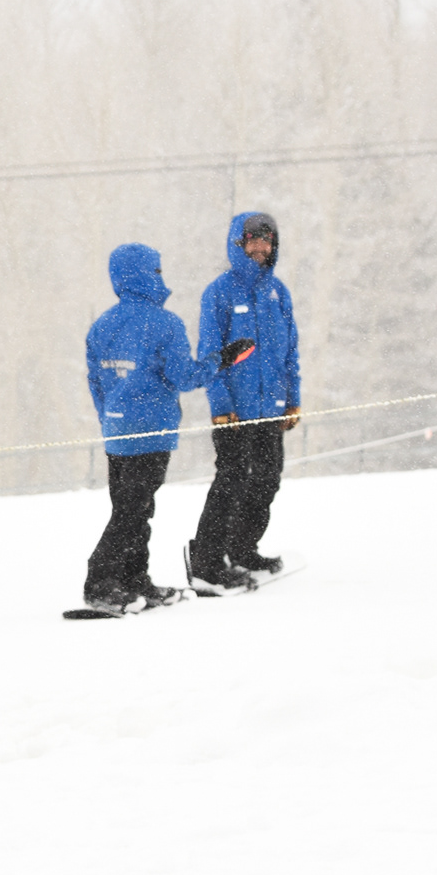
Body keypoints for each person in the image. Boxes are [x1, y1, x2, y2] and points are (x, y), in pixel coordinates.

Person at [83, 244, 255, 614]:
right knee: (132, 512)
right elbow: (184, 377)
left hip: (116, 432)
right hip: (151, 431)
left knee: (132, 508)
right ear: (146, 275)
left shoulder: (102, 325)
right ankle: (100, 581)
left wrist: (109, 419)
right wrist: (221, 359)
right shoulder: (165, 323)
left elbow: (96, 381)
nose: (161, 278)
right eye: (157, 271)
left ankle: (133, 579)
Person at [187, 211, 301, 595]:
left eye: (266, 241)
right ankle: (206, 561)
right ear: (238, 243)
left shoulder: (278, 293)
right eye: (252, 240)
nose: (259, 247)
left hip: (271, 410)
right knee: (231, 483)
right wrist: (220, 405)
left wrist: (293, 400)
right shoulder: (218, 292)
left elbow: (290, 353)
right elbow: (209, 354)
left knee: (267, 481)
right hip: (234, 413)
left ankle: (242, 549)